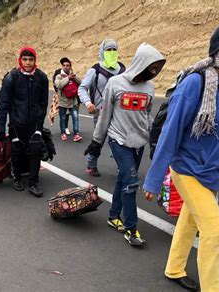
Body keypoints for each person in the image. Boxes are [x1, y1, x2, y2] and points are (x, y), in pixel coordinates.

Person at [142, 22, 219, 291]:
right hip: (187, 168)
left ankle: (173, 268)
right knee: (215, 231)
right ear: (217, 50)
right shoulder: (195, 84)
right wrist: (154, 178)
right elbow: (170, 132)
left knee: (189, 220)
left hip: (213, 171)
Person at [85, 43, 165, 246]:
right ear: (142, 63)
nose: (154, 72)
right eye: (152, 67)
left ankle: (113, 216)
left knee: (123, 178)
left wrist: (154, 139)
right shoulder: (115, 83)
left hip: (139, 141)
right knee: (131, 182)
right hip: (118, 138)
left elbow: (147, 116)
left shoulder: (150, 87)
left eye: (157, 68)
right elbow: (105, 116)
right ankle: (131, 229)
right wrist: (97, 141)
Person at [0, 47, 49, 197]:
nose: (28, 63)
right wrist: (1, 128)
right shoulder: (11, 77)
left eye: (31, 59)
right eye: (25, 59)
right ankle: (17, 177)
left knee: (35, 151)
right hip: (16, 123)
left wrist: (39, 124)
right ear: (20, 60)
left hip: (34, 123)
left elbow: (43, 103)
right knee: (17, 151)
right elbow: (3, 104)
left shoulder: (42, 77)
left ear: (35, 60)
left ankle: (34, 182)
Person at [78, 38, 125, 177]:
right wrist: (88, 103)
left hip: (118, 113)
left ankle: (122, 167)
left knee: (118, 140)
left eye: (114, 50)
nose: (111, 52)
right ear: (102, 52)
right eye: (108, 50)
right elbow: (82, 87)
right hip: (100, 112)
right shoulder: (95, 70)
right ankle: (91, 164)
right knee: (99, 139)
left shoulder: (122, 69)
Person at [54, 57, 82, 142]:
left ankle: (76, 134)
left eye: (68, 65)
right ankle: (63, 133)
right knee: (62, 118)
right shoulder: (58, 76)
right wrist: (68, 78)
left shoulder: (72, 75)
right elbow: (59, 85)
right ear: (62, 66)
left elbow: (81, 83)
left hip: (73, 101)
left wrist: (74, 77)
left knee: (75, 117)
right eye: (64, 65)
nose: (66, 67)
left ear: (70, 66)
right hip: (63, 102)